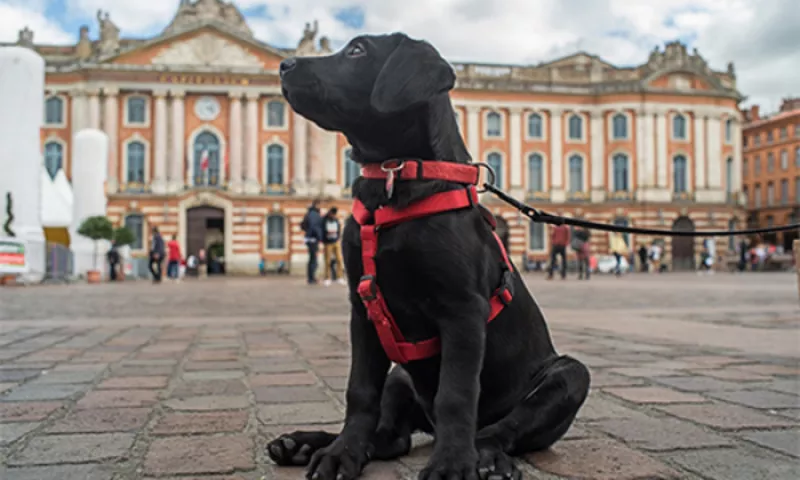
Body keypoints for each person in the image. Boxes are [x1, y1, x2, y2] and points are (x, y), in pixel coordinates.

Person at [300, 199, 324, 284]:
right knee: (314, 259)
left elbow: (302, 225)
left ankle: (311, 277)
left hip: (309, 238)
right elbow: (315, 227)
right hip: (313, 239)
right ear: (317, 205)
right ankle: (311, 278)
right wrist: (320, 237)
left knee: (312, 258)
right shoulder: (314, 214)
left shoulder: (309, 213)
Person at [322, 207, 346, 286]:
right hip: (328, 243)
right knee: (327, 261)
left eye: (334, 214)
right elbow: (322, 230)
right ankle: (327, 278)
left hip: (336, 242)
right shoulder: (324, 220)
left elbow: (339, 229)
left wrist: (338, 237)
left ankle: (340, 277)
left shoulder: (336, 220)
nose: (333, 215)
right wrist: (324, 239)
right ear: (330, 213)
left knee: (339, 259)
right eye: (332, 214)